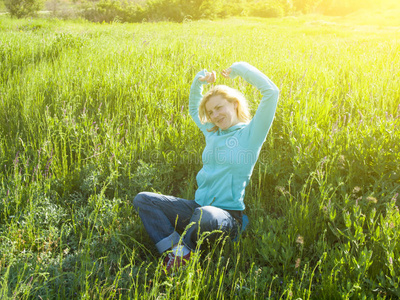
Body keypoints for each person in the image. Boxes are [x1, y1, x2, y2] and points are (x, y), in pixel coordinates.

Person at [132, 62, 279, 273]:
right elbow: (193, 109)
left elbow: (271, 92)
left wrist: (239, 68)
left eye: (219, 107)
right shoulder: (212, 132)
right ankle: (179, 252)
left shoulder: (251, 134)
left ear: (234, 103)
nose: (215, 115)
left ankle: (185, 250)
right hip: (196, 207)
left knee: (206, 215)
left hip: (225, 216)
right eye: (210, 112)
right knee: (143, 200)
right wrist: (198, 81)